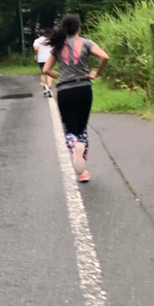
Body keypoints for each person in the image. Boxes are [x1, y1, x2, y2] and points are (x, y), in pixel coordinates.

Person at [42, 13, 109, 183]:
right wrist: (95, 73)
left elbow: (46, 70)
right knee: (82, 127)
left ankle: (76, 151)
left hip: (65, 90)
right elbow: (104, 56)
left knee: (69, 129)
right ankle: (83, 169)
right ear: (79, 28)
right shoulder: (87, 43)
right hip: (84, 88)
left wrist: (61, 75)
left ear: (65, 29)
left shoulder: (58, 46)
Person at [33, 27, 55, 97]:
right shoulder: (49, 40)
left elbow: (36, 48)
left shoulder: (37, 41)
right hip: (49, 58)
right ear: (45, 34)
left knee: (43, 73)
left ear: (39, 34)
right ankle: (49, 88)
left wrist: (36, 54)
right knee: (49, 72)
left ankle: (45, 88)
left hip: (41, 59)